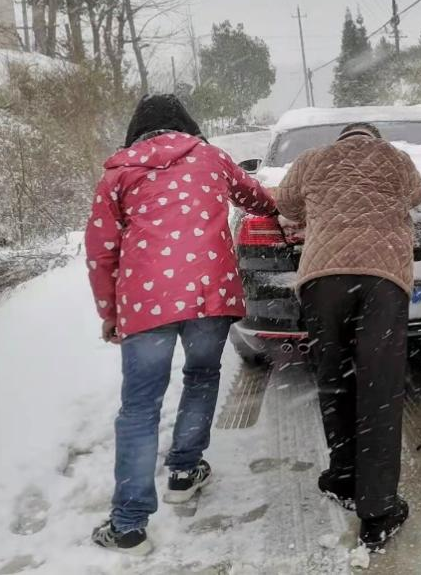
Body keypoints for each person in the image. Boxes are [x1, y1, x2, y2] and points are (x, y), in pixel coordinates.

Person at [85, 95, 278, 556]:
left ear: (137, 131)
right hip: (210, 293)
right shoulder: (210, 157)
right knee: (201, 377)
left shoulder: (118, 172)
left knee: (139, 408)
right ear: (187, 124)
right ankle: (184, 471)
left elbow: (101, 250)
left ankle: (129, 524)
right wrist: (276, 212)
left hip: (145, 300)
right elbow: (255, 196)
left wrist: (109, 313)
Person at [274, 122, 421, 552]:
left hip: (323, 280)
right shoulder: (395, 158)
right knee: (379, 388)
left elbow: (285, 205)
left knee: (335, 378)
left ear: (342, 138)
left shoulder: (313, 159)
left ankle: (342, 477)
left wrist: (321, 208)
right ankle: (377, 513)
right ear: (373, 138)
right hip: (383, 279)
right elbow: (415, 195)